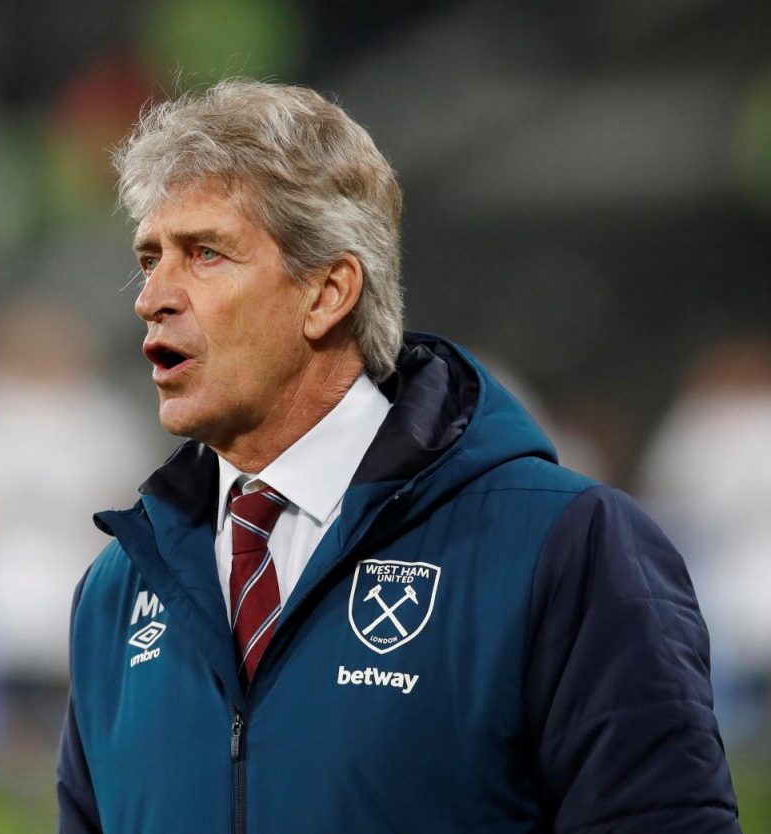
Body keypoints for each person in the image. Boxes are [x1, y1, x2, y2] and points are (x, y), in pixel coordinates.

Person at [56, 79, 740, 833]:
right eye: (150, 258)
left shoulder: (561, 549)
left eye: (205, 253)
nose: (151, 296)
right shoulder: (116, 593)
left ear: (328, 292)